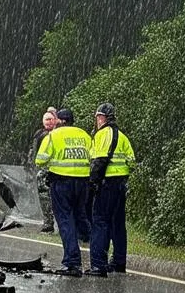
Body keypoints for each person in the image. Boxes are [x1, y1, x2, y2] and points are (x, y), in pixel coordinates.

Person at [35, 107, 92, 277]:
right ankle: (97, 255)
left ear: (60, 120)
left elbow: (40, 160)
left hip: (61, 182)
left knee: (65, 221)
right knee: (81, 216)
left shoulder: (53, 135)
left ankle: (72, 262)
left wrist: (53, 162)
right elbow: (93, 157)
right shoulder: (84, 136)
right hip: (83, 182)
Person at [87, 102, 136, 276]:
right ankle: (118, 262)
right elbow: (131, 161)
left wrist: (93, 182)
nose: (96, 121)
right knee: (118, 224)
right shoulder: (122, 136)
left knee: (100, 222)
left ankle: (98, 265)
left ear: (102, 118)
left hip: (106, 183)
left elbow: (99, 161)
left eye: (97, 117)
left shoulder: (103, 135)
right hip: (121, 184)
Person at [29, 107, 59, 232]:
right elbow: (32, 151)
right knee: (44, 197)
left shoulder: (57, 134)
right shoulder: (39, 134)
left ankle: (52, 223)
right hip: (40, 170)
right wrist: (31, 165)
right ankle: (48, 222)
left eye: (51, 119)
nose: (49, 122)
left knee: (53, 196)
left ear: (56, 120)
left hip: (54, 169)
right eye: (46, 119)